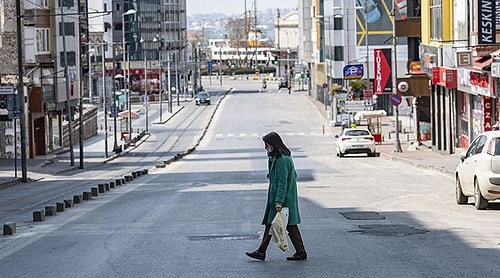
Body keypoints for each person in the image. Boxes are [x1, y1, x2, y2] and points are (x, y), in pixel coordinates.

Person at [246, 132, 307, 261]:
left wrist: (279, 201)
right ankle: (262, 251)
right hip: (278, 197)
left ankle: (299, 252)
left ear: (274, 144)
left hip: (283, 199)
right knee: (275, 224)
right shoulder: (276, 158)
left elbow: (282, 183)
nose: (265, 147)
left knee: (286, 224)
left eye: (267, 145)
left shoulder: (282, 160)